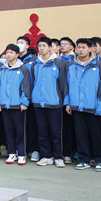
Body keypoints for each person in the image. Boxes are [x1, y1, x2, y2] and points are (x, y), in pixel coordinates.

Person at [64, 38, 101, 172]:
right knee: (80, 134)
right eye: (79, 47)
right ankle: (84, 159)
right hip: (76, 106)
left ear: (90, 49)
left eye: (83, 47)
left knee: (96, 134)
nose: (81, 50)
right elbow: (67, 86)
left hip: (93, 106)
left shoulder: (98, 65)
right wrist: (67, 103)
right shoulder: (71, 65)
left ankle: (100, 160)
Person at [31, 37, 67, 168]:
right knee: (42, 131)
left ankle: (58, 157)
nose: (41, 48)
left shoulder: (58, 64)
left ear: (50, 48)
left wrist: (63, 101)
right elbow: (33, 81)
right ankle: (47, 156)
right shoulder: (36, 64)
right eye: (39, 46)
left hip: (54, 103)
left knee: (56, 132)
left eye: (44, 46)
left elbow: (62, 84)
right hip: (38, 103)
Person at [0, 43, 32, 165]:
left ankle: (21, 154)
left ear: (17, 54)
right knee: (8, 130)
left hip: (18, 105)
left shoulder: (23, 68)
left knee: (20, 131)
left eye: (11, 53)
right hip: (5, 105)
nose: (8, 55)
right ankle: (12, 154)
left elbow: (26, 87)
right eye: (7, 52)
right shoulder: (2, 69)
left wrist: (24, 102)